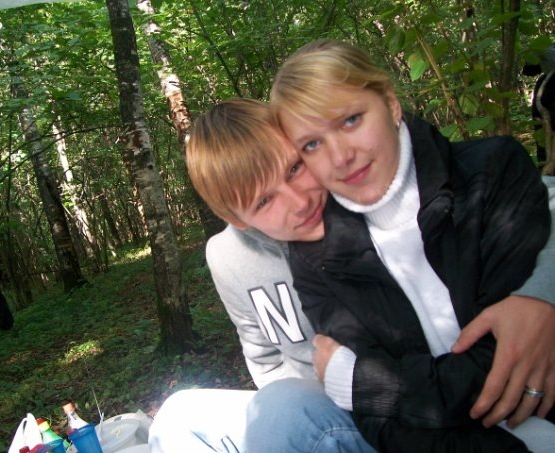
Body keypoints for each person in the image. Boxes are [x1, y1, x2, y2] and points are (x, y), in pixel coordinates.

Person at [156, 97, 555, 452]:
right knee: (178, 416)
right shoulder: (227, 257)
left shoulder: (360, 192)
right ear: (235, 218)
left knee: (281, 413)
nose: (299, 202)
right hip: (327, 407)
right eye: (263, 201)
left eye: (295, 168)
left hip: (411, 401)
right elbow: (264, 358)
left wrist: (540, 295)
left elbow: (540, 199)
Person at [269, 39, 555, 451]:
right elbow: (379, 424)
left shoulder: (489, 174)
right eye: (312, 144)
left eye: (350, 120)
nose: (340, 157)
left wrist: (361, 383)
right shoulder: (317, 258)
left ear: (390, 103)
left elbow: (506, 362)